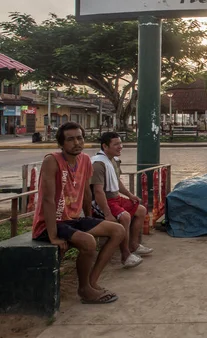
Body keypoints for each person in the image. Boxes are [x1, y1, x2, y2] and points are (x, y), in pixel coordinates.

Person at [32, 122, 125, 304]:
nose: (76, 142)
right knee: (88, 242)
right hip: (51, 223)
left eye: (79, 138)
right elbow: (48, 200)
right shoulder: (52, 161)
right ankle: (84, 290)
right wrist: (53, 236)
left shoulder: (84, 160)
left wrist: (89, 218)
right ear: (61, 143)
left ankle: (91, 283)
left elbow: (86, 192)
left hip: (73, 219)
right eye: (70, 139)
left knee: (118, 231)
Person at [91, 132, 153, 269]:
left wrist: (130, 195)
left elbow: (117, 181)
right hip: (103, 201)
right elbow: (98, 191)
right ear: (105, 146)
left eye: (120, 143)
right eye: (116, 144)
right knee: (124, 216)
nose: (120, 147)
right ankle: (125, 255)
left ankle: (134, 245)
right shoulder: (98, 164)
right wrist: (107, 213)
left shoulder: (113, 160)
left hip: (116, 198)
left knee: (141, 210)